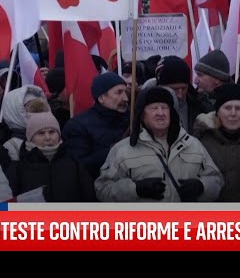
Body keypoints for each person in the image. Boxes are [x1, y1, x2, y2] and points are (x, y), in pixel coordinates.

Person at [95, 86, 223, 202]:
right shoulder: (123, 150)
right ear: (142, 115)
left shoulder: (193, 145)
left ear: (171, 113)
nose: (160, 113)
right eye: (154, 108)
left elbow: (216, 180)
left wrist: (201, 187)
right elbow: (102, 189)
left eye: (164, 107)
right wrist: (135, 189)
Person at [7, 112, 96, 202]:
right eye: (41, 133)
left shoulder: (74, 164)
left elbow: (89, 199)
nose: (48, 137)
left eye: (52, 132)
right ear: (30, 137)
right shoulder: (18, 169)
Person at [62, 72, 130, 180]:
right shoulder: (78, 126)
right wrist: (113, 150)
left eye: (126, 92)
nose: (125, 98)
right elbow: (78, 165)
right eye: (119, 92)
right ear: (101, 98)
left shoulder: (131, 119)